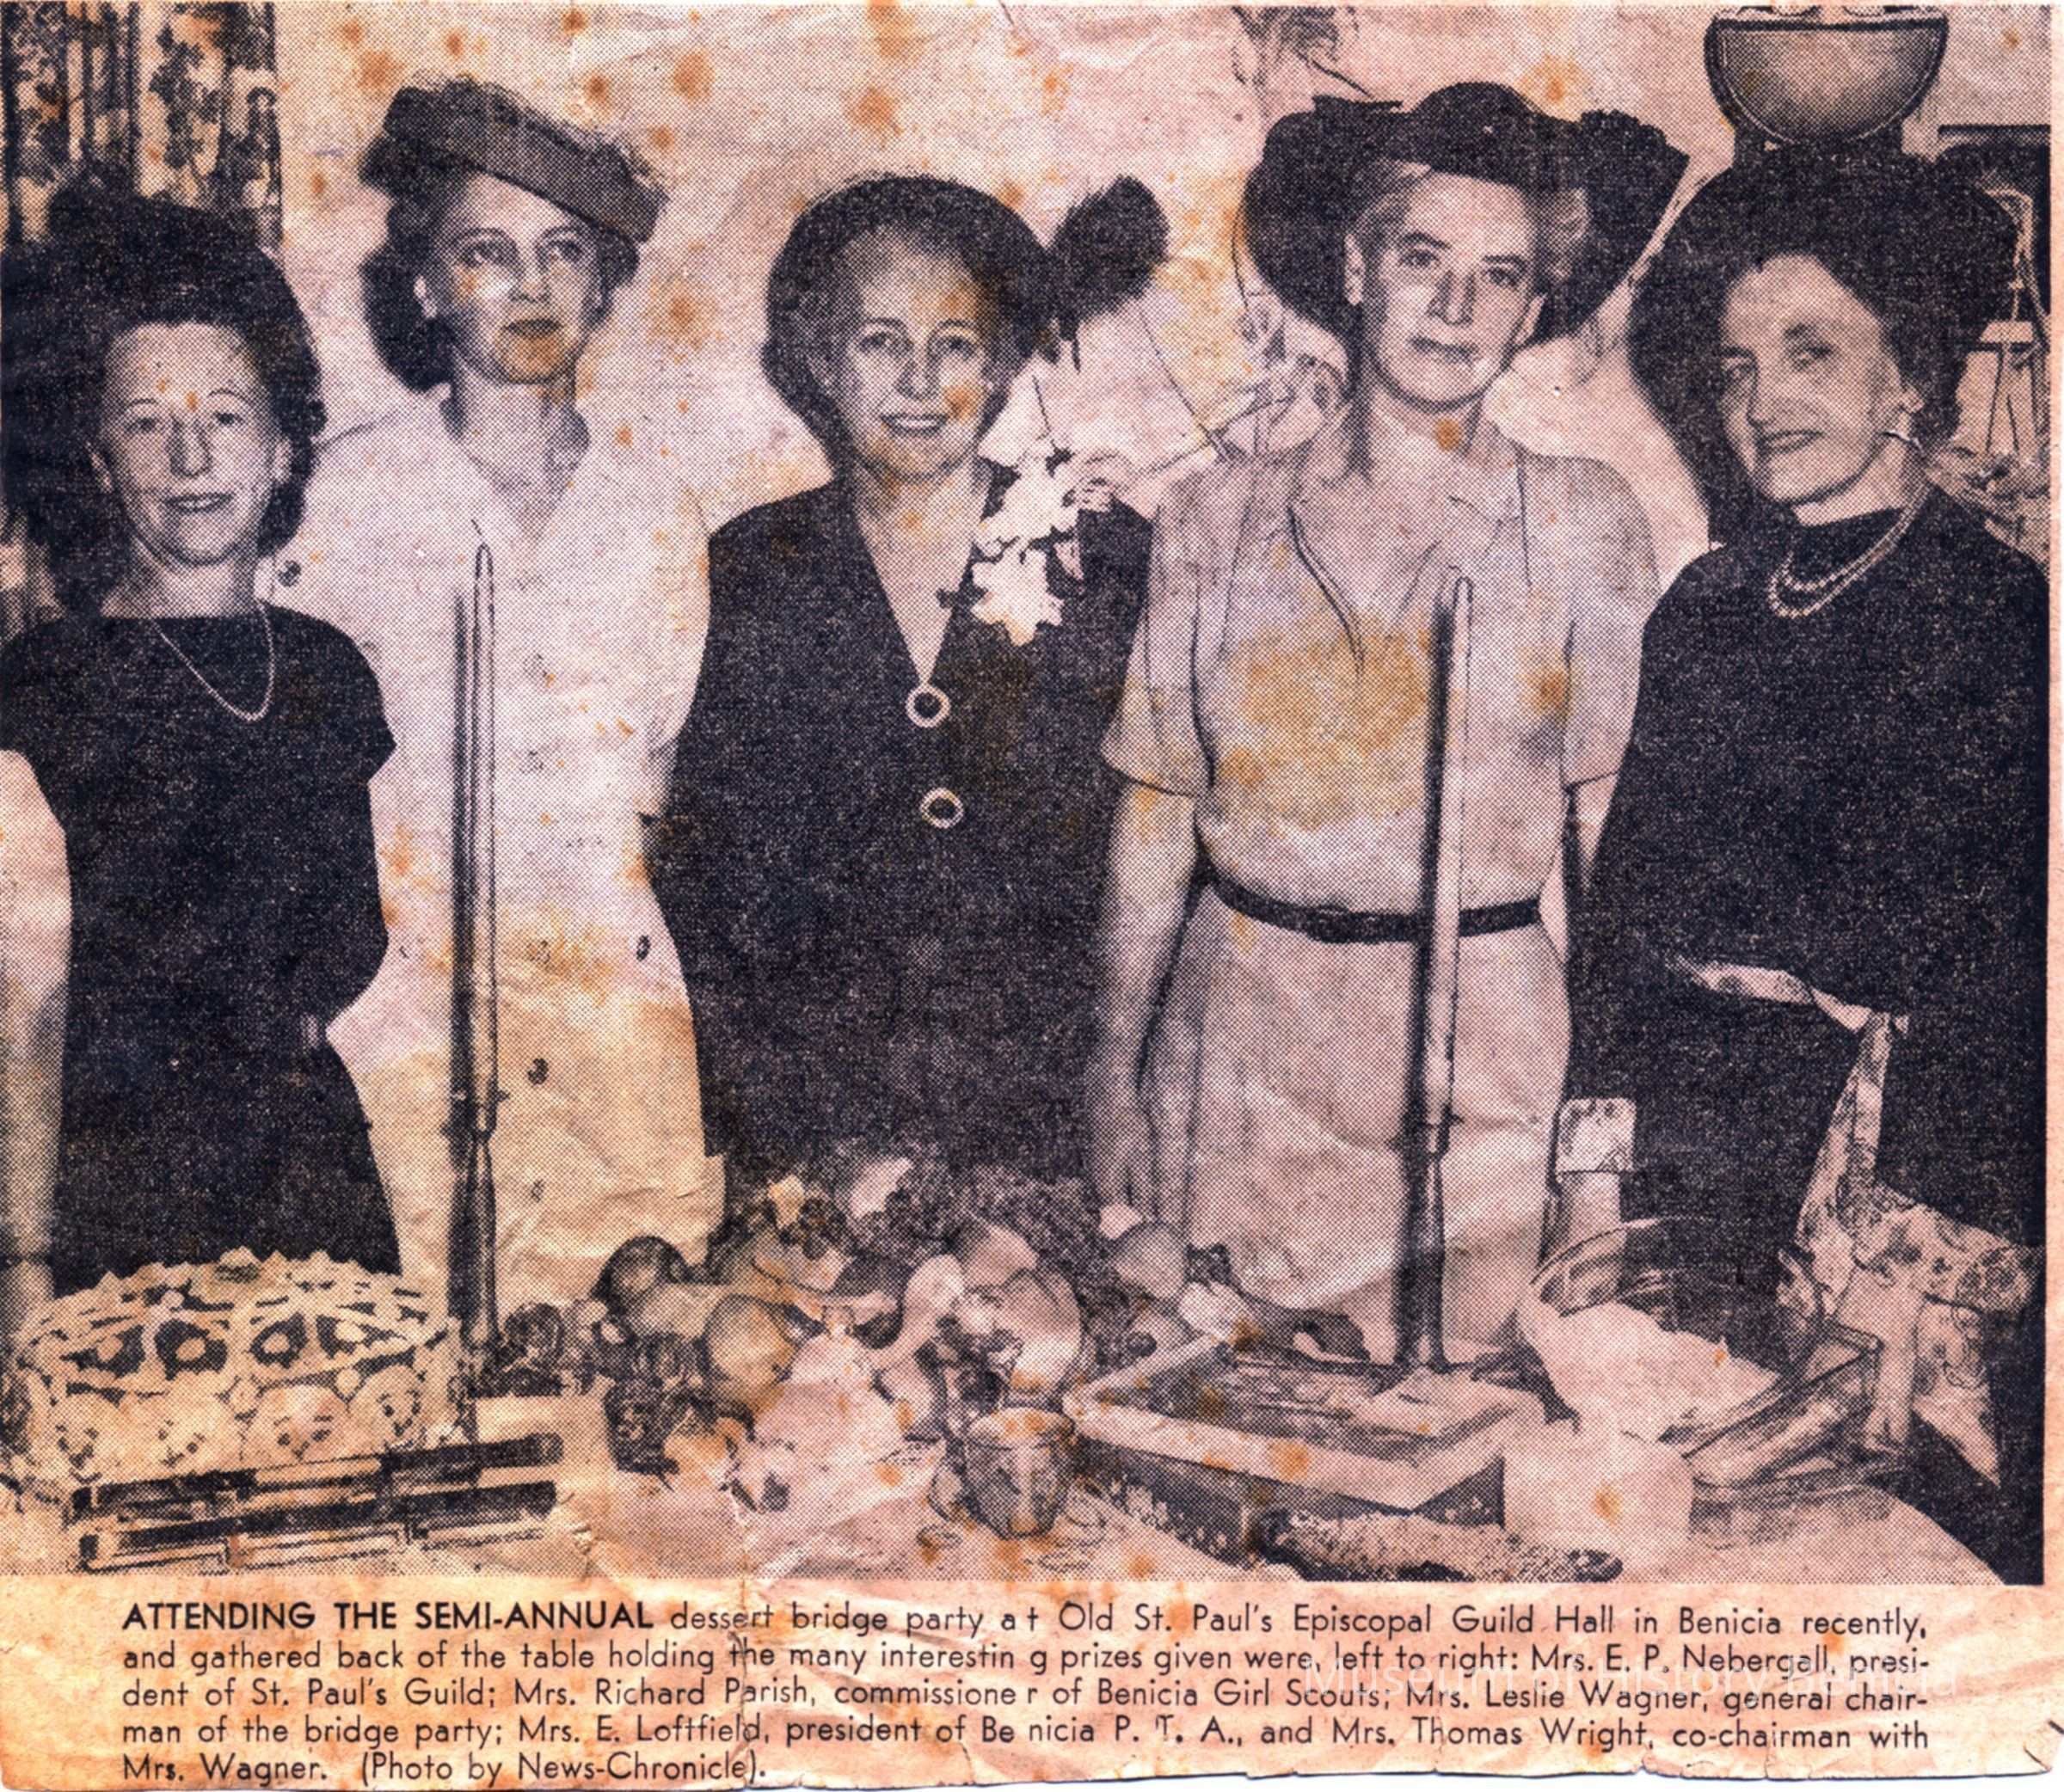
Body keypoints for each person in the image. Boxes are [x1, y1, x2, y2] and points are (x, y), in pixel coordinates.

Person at [1091, 86, 1683, 1359]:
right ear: (1357, 269)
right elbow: (1156, 821)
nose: (1456, 306)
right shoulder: (1215, 519)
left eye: (1500, 275)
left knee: (1461, 1430)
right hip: (1237, 1059)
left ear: (1534, 308)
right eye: (1422, 257)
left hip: (1478, 1075)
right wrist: (1114, 1072)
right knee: (1221, 1415)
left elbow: (1619, 866)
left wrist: (1597, 1161)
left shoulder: (1582, 521)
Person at [1569, 151, 2042, 1578]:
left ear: (1914, 375)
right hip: (1695, 1160)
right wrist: (1591, 1185)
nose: (1762, 397)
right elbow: (1622, 924)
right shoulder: (1705, 604)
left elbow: (2006, 987)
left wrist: (1900, 1286)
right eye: (1736, 366)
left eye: (1811, 351)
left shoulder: (2004, 615)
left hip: (1887, 1184)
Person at [651, 175, 1156, 1234]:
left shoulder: (1105, 556)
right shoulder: (747, 570)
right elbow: (706, 889)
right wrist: (771, 1137)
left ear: (1004, 362)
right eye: (880, 342)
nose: (920, 382)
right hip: (817, 1137)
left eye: (956, 344)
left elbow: (1155, 853)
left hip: (1049, 1130)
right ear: (816, 360)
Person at [288, 82, 711, 1305]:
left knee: (630, 1348)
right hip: (410, 1019)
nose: (530, 285)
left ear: (603, 284)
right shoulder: (339, 502)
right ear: (426, 286)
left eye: (563, 251)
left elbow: (650, 791)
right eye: (487, 251)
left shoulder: (658, 518)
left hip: (609, 1022)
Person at [0, 181, 400, 1321]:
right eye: (144, 422)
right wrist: (22, 1268)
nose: (190, 456)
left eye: (225, 416)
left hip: (313, 1186)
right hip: (116, 1198)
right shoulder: (40, 690)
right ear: (95, 459)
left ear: (282, 447)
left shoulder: (328, 672)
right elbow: (22, 1012)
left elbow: (363, 963)